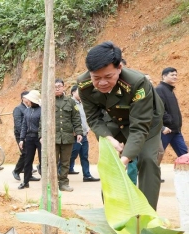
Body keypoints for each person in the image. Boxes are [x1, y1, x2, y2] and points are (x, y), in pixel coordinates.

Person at [77, 41, 164, 210]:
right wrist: (109, 139)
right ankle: (113, 214)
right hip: (113, 120)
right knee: (110, 164)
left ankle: (145, 216)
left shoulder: (138, 83)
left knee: (147, 160)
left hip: (146, 121)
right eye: (96, 77)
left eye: (108, 77)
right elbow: (94, 118)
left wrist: (125, 159)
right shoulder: (84, 84)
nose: (102, 82)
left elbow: (139, 127)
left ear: (119, 68)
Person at [50, 79, 83, 192]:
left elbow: (76, 118)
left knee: (65, 162)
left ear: (64, 87)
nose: (57, 88)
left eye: (59, 86)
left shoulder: (70, 101)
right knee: (52, 161)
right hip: (53, 138)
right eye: (55, 86)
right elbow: (42, 120)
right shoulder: (49, 101)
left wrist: (79, 132)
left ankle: (63, 183)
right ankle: (52, 184)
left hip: (67, 137)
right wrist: (41, 135)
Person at [68, 85, 100, 182]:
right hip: (75, 135)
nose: (81, 93)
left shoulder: (82, 104)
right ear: (73, 92)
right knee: (72, 155)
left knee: (84, 156)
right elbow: (68, 119)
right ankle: (59, 173)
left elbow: (85, 118)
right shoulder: (70, 103)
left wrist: (87, 128)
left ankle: (87, 175)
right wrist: (74, 131)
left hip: (84, 134)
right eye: (78, 91)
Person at [155, 67, 188, 157]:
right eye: (172, 75)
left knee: (185, 156)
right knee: (157, 155)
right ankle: (146, 171)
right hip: (166, 131)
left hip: (175, 130)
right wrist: (167, 123)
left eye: (176, 75)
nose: (175, 77)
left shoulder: (170, 90)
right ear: (164, 76)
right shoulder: (159, 89)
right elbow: (159, 109)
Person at [18, 90, 42, 189]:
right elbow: (24, 125)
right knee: (28, 161)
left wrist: (42, 137)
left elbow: (43, 125)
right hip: (29, 138)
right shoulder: (27, 110)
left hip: (40, 139)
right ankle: (25, 181)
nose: (27, 101)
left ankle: (46, 183)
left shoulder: (41, 110)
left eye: (29, 99)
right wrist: (22, 139)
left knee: (43, 161)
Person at [12, 91, 38, 180]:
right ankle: (16, 171)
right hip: (21, 135)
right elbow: (18, 124)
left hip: (30, 135)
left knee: (29, 154)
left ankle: (29, 175)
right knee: (25, 153)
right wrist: (23, 137)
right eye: (28, 97)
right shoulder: (18, 109)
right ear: (23, 98)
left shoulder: (31, 108)